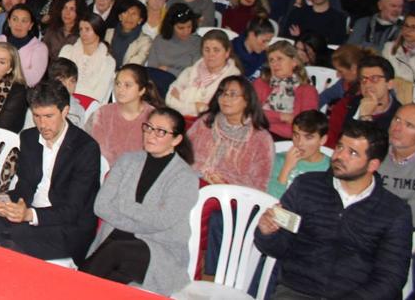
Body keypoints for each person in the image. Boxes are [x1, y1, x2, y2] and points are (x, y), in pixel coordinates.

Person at [254, 119, 412, 300]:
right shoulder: (306, 186)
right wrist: (267, 233)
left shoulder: (394, 211)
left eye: (352, 153)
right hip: (298, 291)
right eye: (339, 147)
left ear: (372, 165)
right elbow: (278, 248)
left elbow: (391, 277)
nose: (339, 156)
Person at [0, 81, 102, 263]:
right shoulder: (29, 138)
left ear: (65, 111)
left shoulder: (86, 148)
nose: (42, 124)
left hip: (64, 228)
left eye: (49, 116)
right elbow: (24, 187)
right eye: (37, 116)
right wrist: (9, 203)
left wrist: (29, 215)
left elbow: (72, 210)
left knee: (7, 233)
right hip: (26, 214)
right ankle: (2, 238)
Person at [82, 107, 199, 295]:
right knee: (108, 280)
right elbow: (101, 206)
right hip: (115, 239)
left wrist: (123, 205)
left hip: (159, 250)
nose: (151, 135)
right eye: (149, 128)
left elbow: (161, 221)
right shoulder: (128, 160)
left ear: (176, 139)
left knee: (113, 254)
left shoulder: (185, 178)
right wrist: (141, 214)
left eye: (161, 132)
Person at [187, 76, 274, 189]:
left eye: (233, 94)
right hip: (191, 180)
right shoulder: (206, 121)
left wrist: (226, 184)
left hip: (230, 197)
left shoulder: (261, 138)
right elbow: (183, 153)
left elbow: (260, 185)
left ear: (247, 101)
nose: (225, 98)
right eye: (222, 93)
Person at [86, 64, 162, 166]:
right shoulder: (102, 113)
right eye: (118, 84)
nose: (120, 90)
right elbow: (89, 147)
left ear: (142, 90)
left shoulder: (155, 118)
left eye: (127, 85)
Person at [377, 102, 415, 227]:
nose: (397, 128)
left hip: (405, 233)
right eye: (397, 119)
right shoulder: (373, 151)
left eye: (409, 125)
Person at [165, 29, 240, 119]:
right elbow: (169, 100)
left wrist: (181, 97)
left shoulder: (234, 80)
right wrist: (195, 107)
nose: (211, 54)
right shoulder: (189, 71)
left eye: (216, 50)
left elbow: (212, 112)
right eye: (207, 50)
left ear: (227, 53)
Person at [253, 42, 319, 139]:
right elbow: (251, 112)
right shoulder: (261, 83)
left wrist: (266, 118)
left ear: (294, 62)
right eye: (271, 60)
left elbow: (305, 124)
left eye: (280, 59)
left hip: (288, 140)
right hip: (257, 133)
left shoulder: (307, 90)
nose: (275, 64)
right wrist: (282, 116)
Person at [268, 110, 331, 198]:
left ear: (322, 140)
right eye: (296, 135)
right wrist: (286, 169)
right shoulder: (279, 160)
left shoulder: (331, 169)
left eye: (308, 137)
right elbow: (270, 199)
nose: (299, 143)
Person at [58, 14, 116, 104]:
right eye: (81, 29)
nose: (83, 33)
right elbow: (58, 82)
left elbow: (100, 93)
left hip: (91, 105)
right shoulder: (67, 51)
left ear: (98, 31)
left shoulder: (108, 61)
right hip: (62, 100)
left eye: (87, 29)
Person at [282, 0, 349, 44]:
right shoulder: (297, 13)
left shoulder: (338, 18)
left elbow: (335, 44)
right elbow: (286, 40)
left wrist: (300, 37)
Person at [107, 0, 152, 68]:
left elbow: (134, 65)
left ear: (140, 20)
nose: (129, 17)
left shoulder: (145, 41)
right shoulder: (108, 33)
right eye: (125, 12)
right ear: (120, 16)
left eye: (134, 14)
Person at [230, 17, 275, 81]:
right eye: (264, 41)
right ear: (251, 35)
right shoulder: (229, 51)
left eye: (268, 42)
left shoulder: (264, 56)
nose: (266, 46)